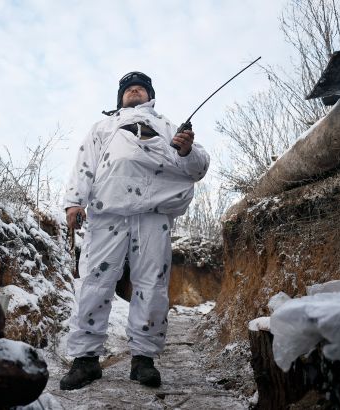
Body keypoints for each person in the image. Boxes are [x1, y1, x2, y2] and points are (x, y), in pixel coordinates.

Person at [60, 71, 210, 390]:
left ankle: (143, 359)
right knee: (94, 282)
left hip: (154, 214)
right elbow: (84, 164)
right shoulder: (102, 127)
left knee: (151, 283)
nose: (135, 90)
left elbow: (198, 169)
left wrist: (186, 151)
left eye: (140, 88)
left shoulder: (169, 127)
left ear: (150, 96)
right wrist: (74, 202)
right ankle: (85, 360)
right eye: (129, 89)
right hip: (106, 212)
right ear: (120, 97)